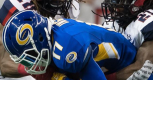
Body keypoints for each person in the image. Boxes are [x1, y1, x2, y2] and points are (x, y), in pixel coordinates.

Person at [2, 10, 140, 80]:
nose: (30, 63)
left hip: (129, 71)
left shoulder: (67, 46)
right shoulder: (53, 40)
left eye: (30, 55)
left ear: (40, 37)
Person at [0, 0, 80, 80]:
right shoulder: (20, 8)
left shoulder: (71, 7)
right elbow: (4, 64)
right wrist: (45, 73)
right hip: (17, 73)